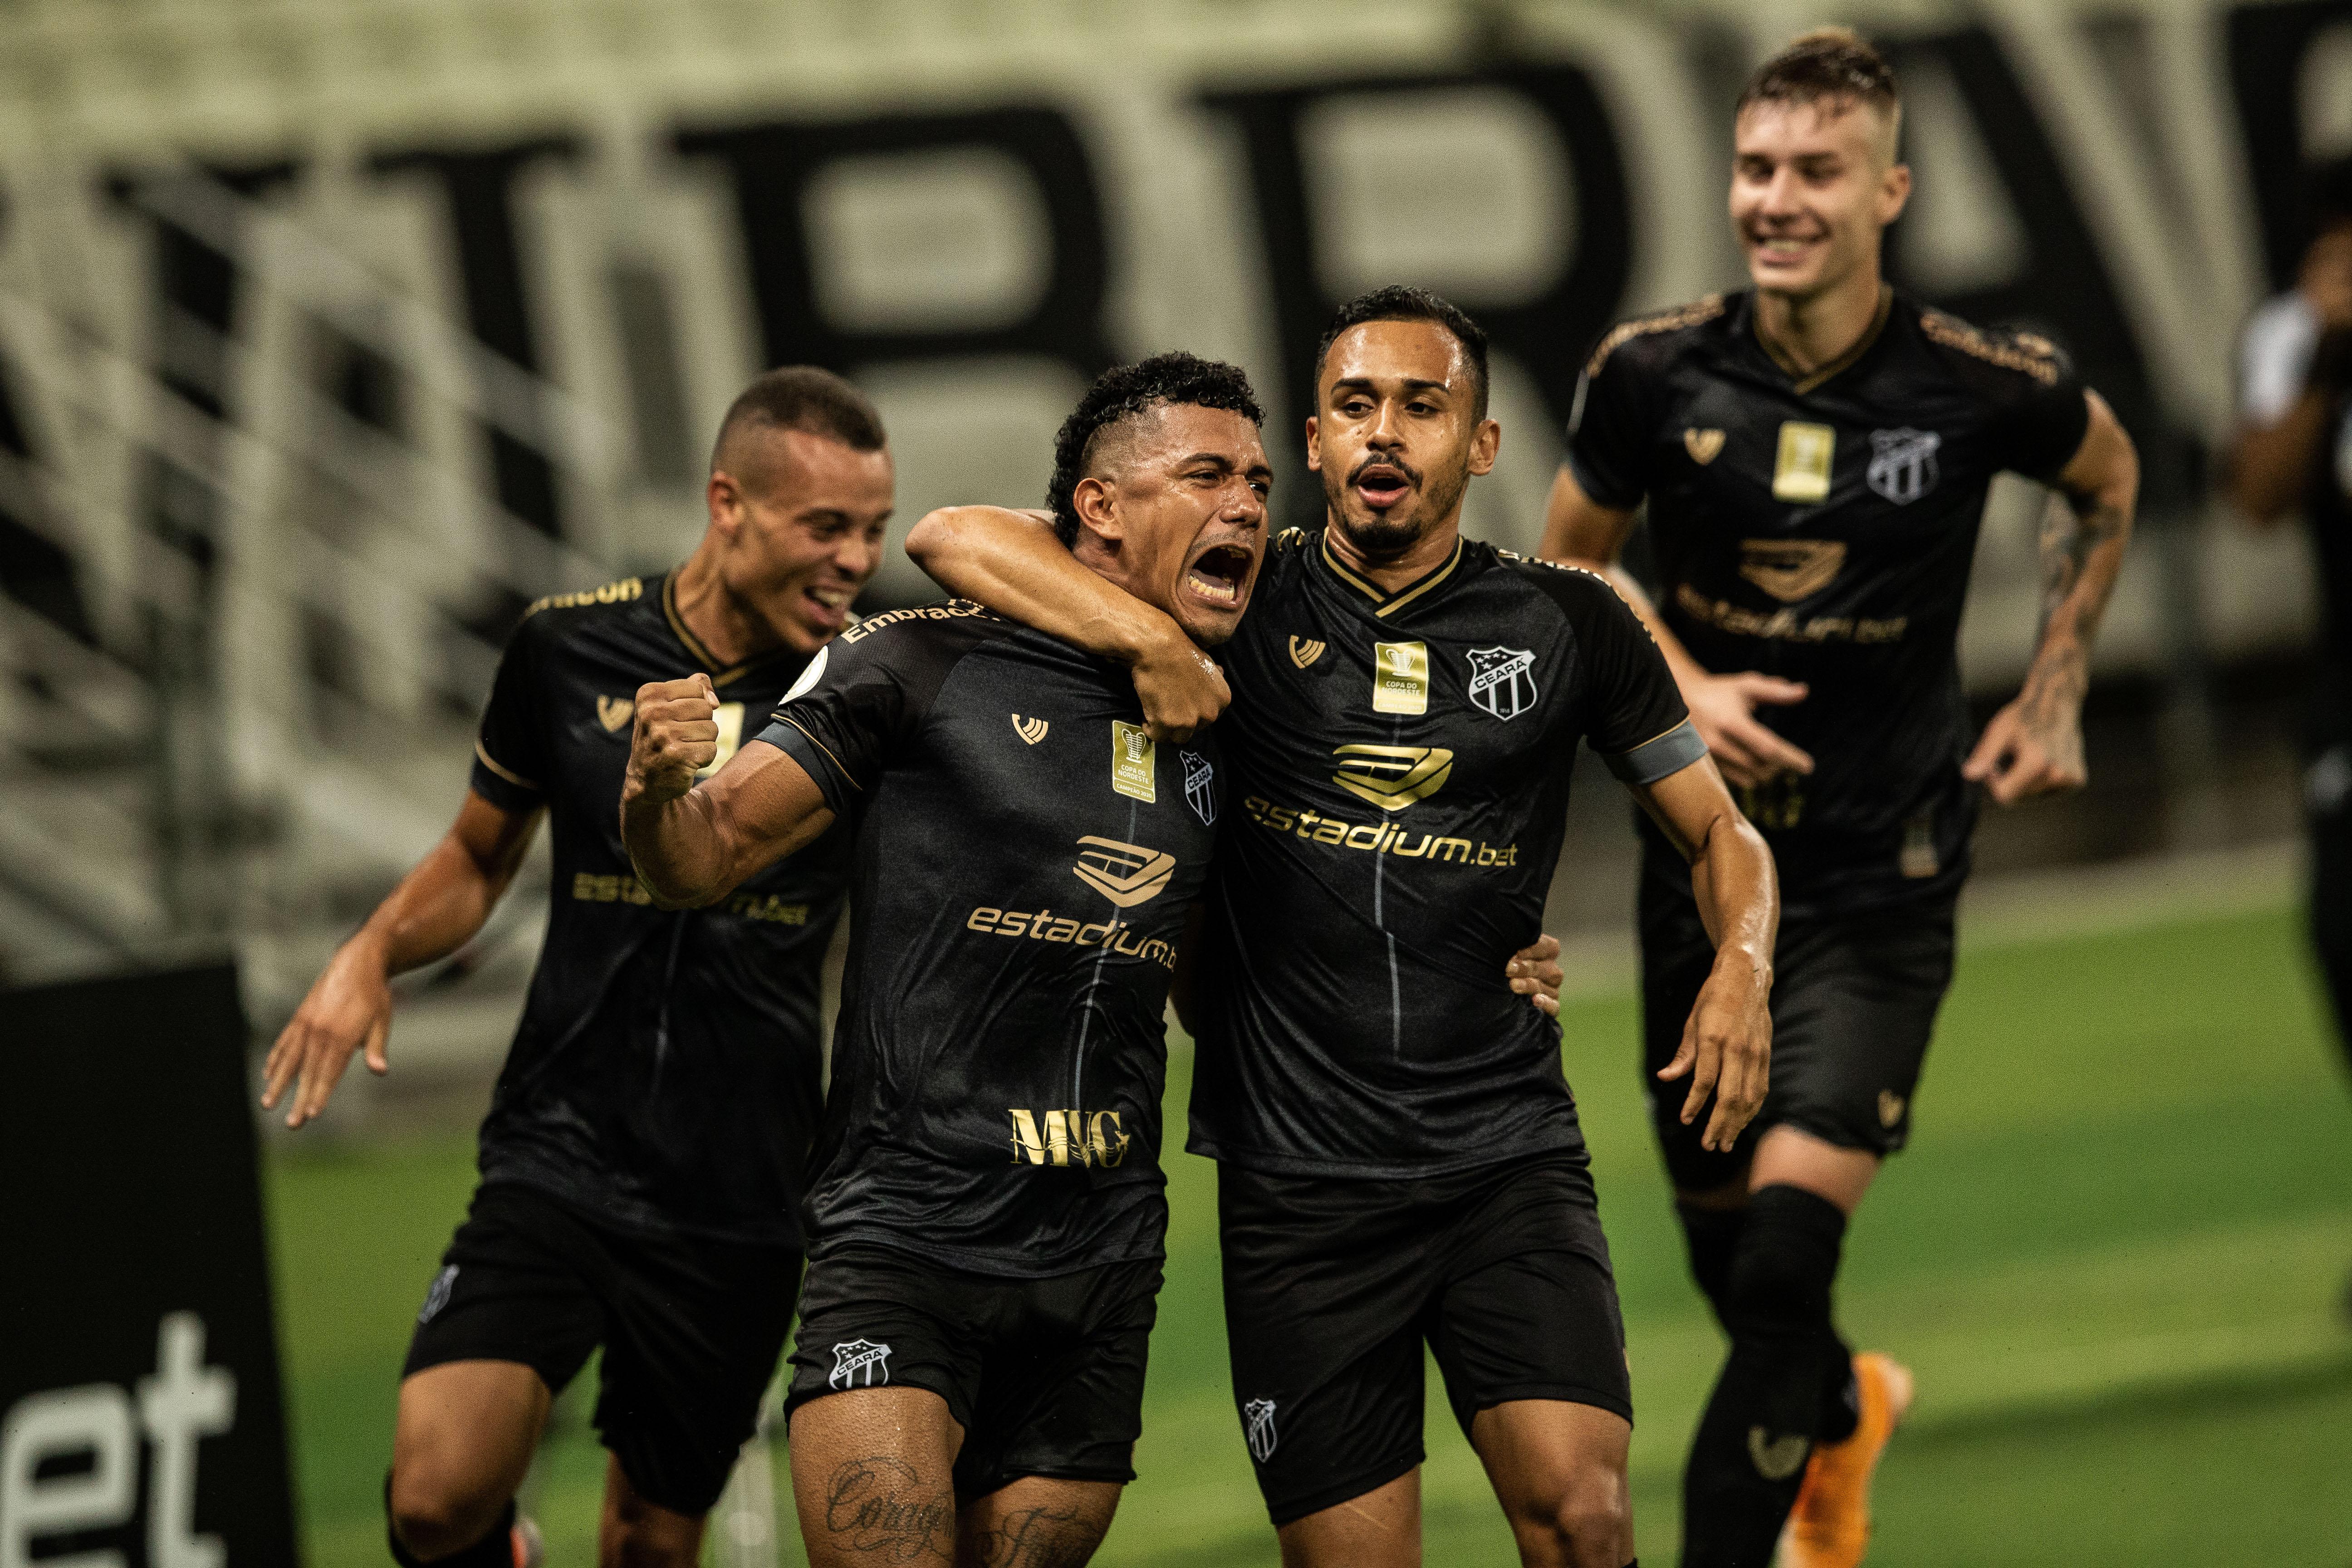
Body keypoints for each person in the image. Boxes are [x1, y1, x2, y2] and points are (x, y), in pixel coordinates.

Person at [906, 289, 1780, 1568]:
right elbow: (952, 535)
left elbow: (1723, 835)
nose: (1385, 433)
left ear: (1481, 444)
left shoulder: (1570, 621)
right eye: (1356, 406)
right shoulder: (1230, 598)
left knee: (1586, 1519)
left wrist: (1741, 970)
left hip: (1503, 1158)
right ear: (1314, 442)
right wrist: (1145, 638)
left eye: (1423, 407)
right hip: (1298, 1189)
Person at [1539, 29, 2140, 1568]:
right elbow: (1569, 566)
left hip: (1884, 875)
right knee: (1730, 1263)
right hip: (1701, 880)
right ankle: (1845, 1406)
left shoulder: (1983, 382)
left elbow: (2107, 478)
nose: (1777, 199)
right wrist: (1683, 686)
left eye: (1817, 170)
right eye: (1756, 168)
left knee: (1785, 1262)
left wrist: (2057, 679)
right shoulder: (1652, 370)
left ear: (1891, 193)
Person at [618, 352, 1265, 1568]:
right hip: (905, 1235)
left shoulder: (1231, 706)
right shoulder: (914, 662)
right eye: (1207, 475)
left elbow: (1211, 979)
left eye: (1258, 483)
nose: (1245, 505)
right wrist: (655, 793)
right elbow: (703, 856)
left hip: (1102, 1250)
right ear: (1098, 507)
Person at [260, 368, 894, 1567]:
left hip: (742, 1187)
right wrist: (370, 952)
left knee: (650, 1544)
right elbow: (475, 858)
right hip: (560, 1151)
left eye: (872, 529)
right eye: (827, 526)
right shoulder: (568, 645)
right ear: (729, 503)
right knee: (433, 1502)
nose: (856, 560)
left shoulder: (865, 688)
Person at [2231, 154, 2352, 1317]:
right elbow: (2259, 494)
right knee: (2345, 937)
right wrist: (2322, 359)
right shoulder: (2292, 341)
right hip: (2347, 692)